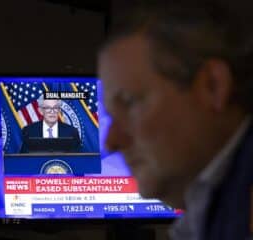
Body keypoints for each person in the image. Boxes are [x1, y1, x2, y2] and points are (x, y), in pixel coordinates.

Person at [98, 1, 253, 239]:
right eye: (111, 115)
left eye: (129, 102)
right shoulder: (211, 204)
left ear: (212, 86)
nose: (112, 141)